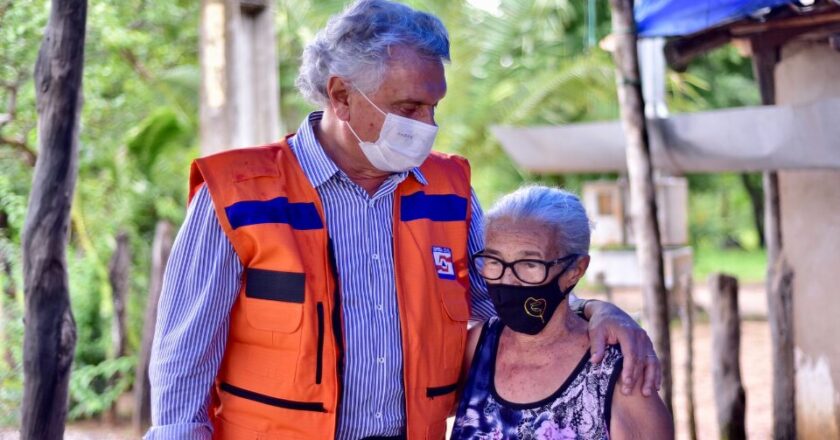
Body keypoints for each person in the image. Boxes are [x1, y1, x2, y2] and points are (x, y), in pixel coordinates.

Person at [145, 1, 662, 439]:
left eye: (433, 107)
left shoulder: (448, 192)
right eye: (409, 107)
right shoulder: (236, 195)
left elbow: (504, 305)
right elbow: (182, 372)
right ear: (342, 96)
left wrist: (592, 311)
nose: (427, 126)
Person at [451, 186, 674, 440]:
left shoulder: (616, 372)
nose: (508, 279)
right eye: (493, 260)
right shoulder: (477, 348)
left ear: (575, 270)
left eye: (530, 263)